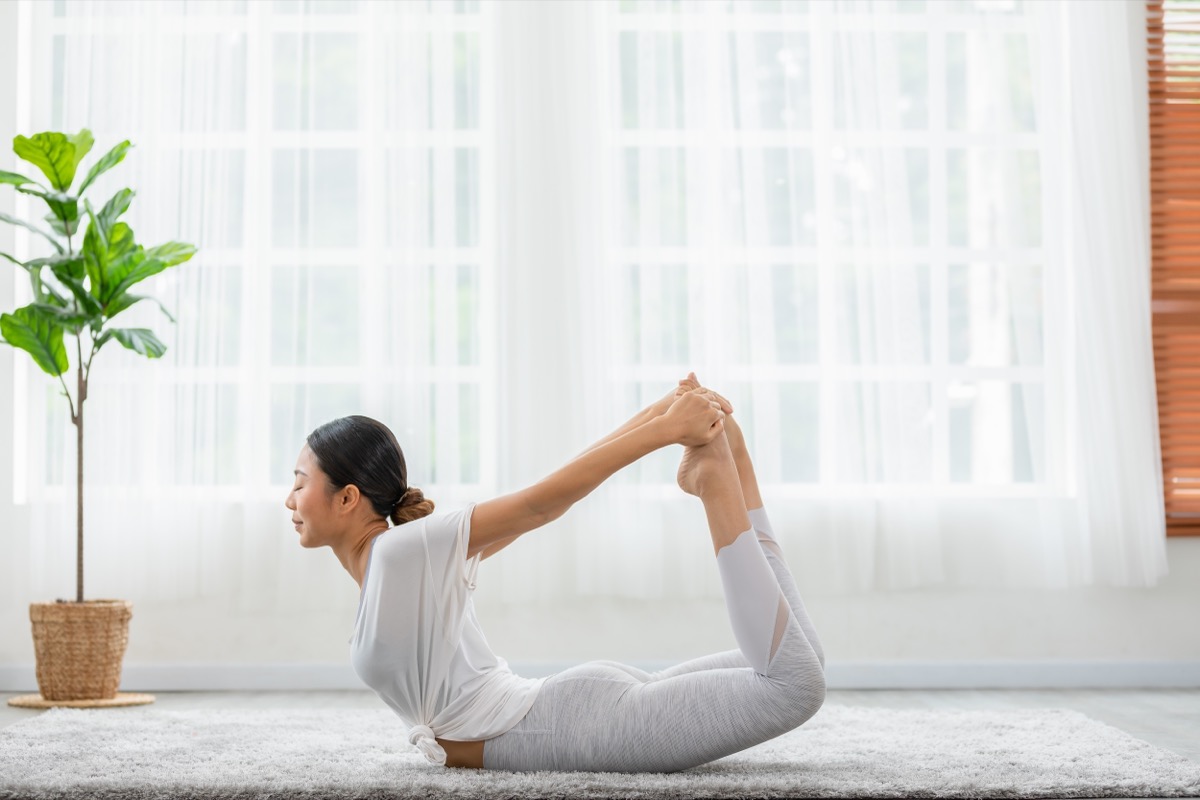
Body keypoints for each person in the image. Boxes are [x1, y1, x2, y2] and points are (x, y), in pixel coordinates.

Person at [285, 372, 826, 774]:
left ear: (347, 497)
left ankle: (717, 481)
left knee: (793, 684)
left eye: (299, 481)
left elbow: (541, 504)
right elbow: (543, 500)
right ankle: (737, 465)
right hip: (568, 713)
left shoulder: (400, 553)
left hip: (570, 726)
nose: (289, 498)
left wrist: (664, 431)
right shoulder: (402, 566)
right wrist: (659, 415)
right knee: (800, 657)